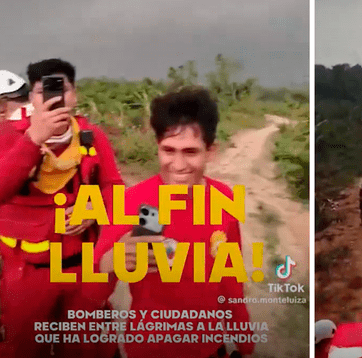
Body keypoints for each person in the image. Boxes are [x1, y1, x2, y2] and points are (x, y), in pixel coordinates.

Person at [94, 87, 254, 358]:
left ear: (211, 151)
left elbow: (230, 274)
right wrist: (113, 260)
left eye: (190, 151)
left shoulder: (224, 198)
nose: (178, 165)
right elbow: (92, 286)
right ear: (157, 147)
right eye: (168, 150)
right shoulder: (134, 201)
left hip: (210, 347)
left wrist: (243, 336)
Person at [0, 59, 122, 357]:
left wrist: (93, 210)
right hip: (28, 272)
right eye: (44, 91)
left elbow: (114, 189)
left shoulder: (92, 136)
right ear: (32, 98)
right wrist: (32, 140)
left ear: (74, 94)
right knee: (23, 347)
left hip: (81, 269)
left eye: (62, 89)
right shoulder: (8, 135)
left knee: (86, 348)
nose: (55, 98)